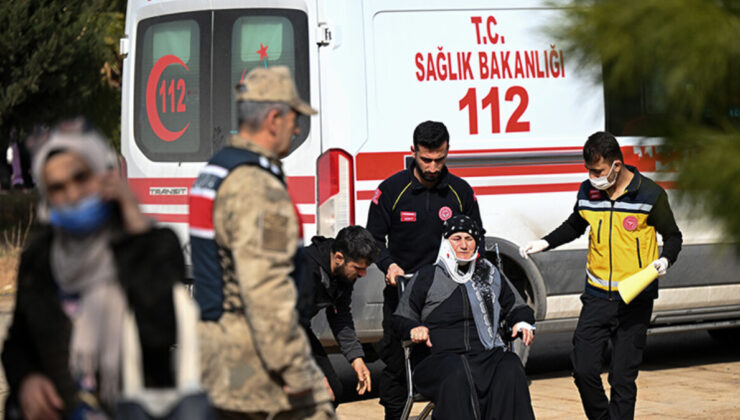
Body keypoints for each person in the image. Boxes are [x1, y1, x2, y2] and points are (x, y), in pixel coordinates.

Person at [1, 122, 183, 419]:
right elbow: (18, 344)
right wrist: (27, 379)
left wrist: (135, 228)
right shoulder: (41, 257)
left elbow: (161, 330)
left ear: (103, 174)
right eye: (58, 188)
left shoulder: (152, 245)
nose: (72, 194)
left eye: (80, 178)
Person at [189, 66, 333, 420]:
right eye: (294, 119)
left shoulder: (216, 171)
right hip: (259, 362)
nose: (298, 128)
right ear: (273, 119)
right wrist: (294, 368)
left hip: (220, 353)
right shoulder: (257, 188)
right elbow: (265, 287)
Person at [519, 131, 683, 420]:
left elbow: (673, 235)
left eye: (598, 171)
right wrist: (544, 242)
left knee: (622, 378)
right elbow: (575, 224)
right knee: (583, 369)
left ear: (617, 166)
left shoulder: (650, 195)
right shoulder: (588, 191)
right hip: (596, 296)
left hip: (634, 297)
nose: (593, 176)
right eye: (589, 171)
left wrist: (666, 259)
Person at [366, 120, 482, 419]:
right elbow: (374, 239)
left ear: (447, 152)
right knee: (396, 371)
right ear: (413, 152)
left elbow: (476, 237)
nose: (432, 167)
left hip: (448, 301)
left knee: (453, 369)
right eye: (425, 159)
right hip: (403, 297)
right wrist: (389, 265)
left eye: (439, 159)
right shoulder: (391, 190)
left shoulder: (460, 192)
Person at [394, 215, 535, 420]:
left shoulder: (489, 273)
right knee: (457, 371)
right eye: (456, 238)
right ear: (445, 242)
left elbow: (517, 306)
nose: (463, 245)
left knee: (510, 365)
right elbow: (400, 318)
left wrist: (521, 322)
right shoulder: (428, 276)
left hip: (486, 355)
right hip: (439, 359)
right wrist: (413, 328)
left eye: (469, 239)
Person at [296, 225, 379, 404]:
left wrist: (356, 358)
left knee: (332, 390)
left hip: (298, 330)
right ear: (339, 258)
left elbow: (340, 315)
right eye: (358, 268)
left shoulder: (343, 274)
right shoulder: (306, 271)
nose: (363, 274)